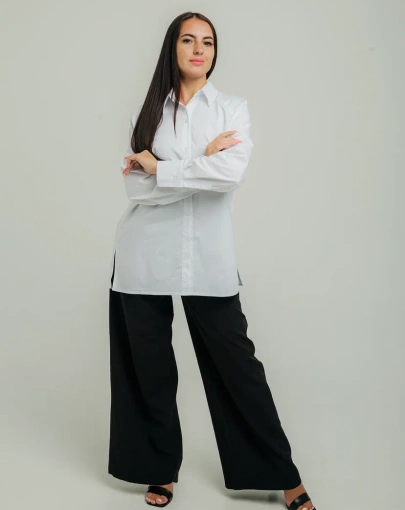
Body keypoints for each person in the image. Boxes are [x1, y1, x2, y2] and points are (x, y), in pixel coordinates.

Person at [108, 11, 316, 510]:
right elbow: (135, 188)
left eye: (208, 41)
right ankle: (158, 470)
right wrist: (199, 161)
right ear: (173, 47)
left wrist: (164, 168)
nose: (199, 49)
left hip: (207, 256)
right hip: (143, 254)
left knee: (238, 366)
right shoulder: (147, 112)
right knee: (149, 369)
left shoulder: (231, 110)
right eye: (189, 40)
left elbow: (229, 176)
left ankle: (283, 475)